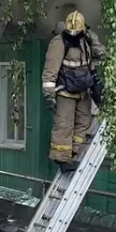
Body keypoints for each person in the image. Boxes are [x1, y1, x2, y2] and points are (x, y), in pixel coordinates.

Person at [42, 10, 105, 172]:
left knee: (84, 121)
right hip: (65, 92)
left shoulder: (87, 39)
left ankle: (73, 151)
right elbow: (50, 70)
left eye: (77, 33)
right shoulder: (59, 42)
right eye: (71, 33)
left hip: (83, 90)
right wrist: (49, 96)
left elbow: (99, 55)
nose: (74, 36)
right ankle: (61, 159)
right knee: (64, 125)